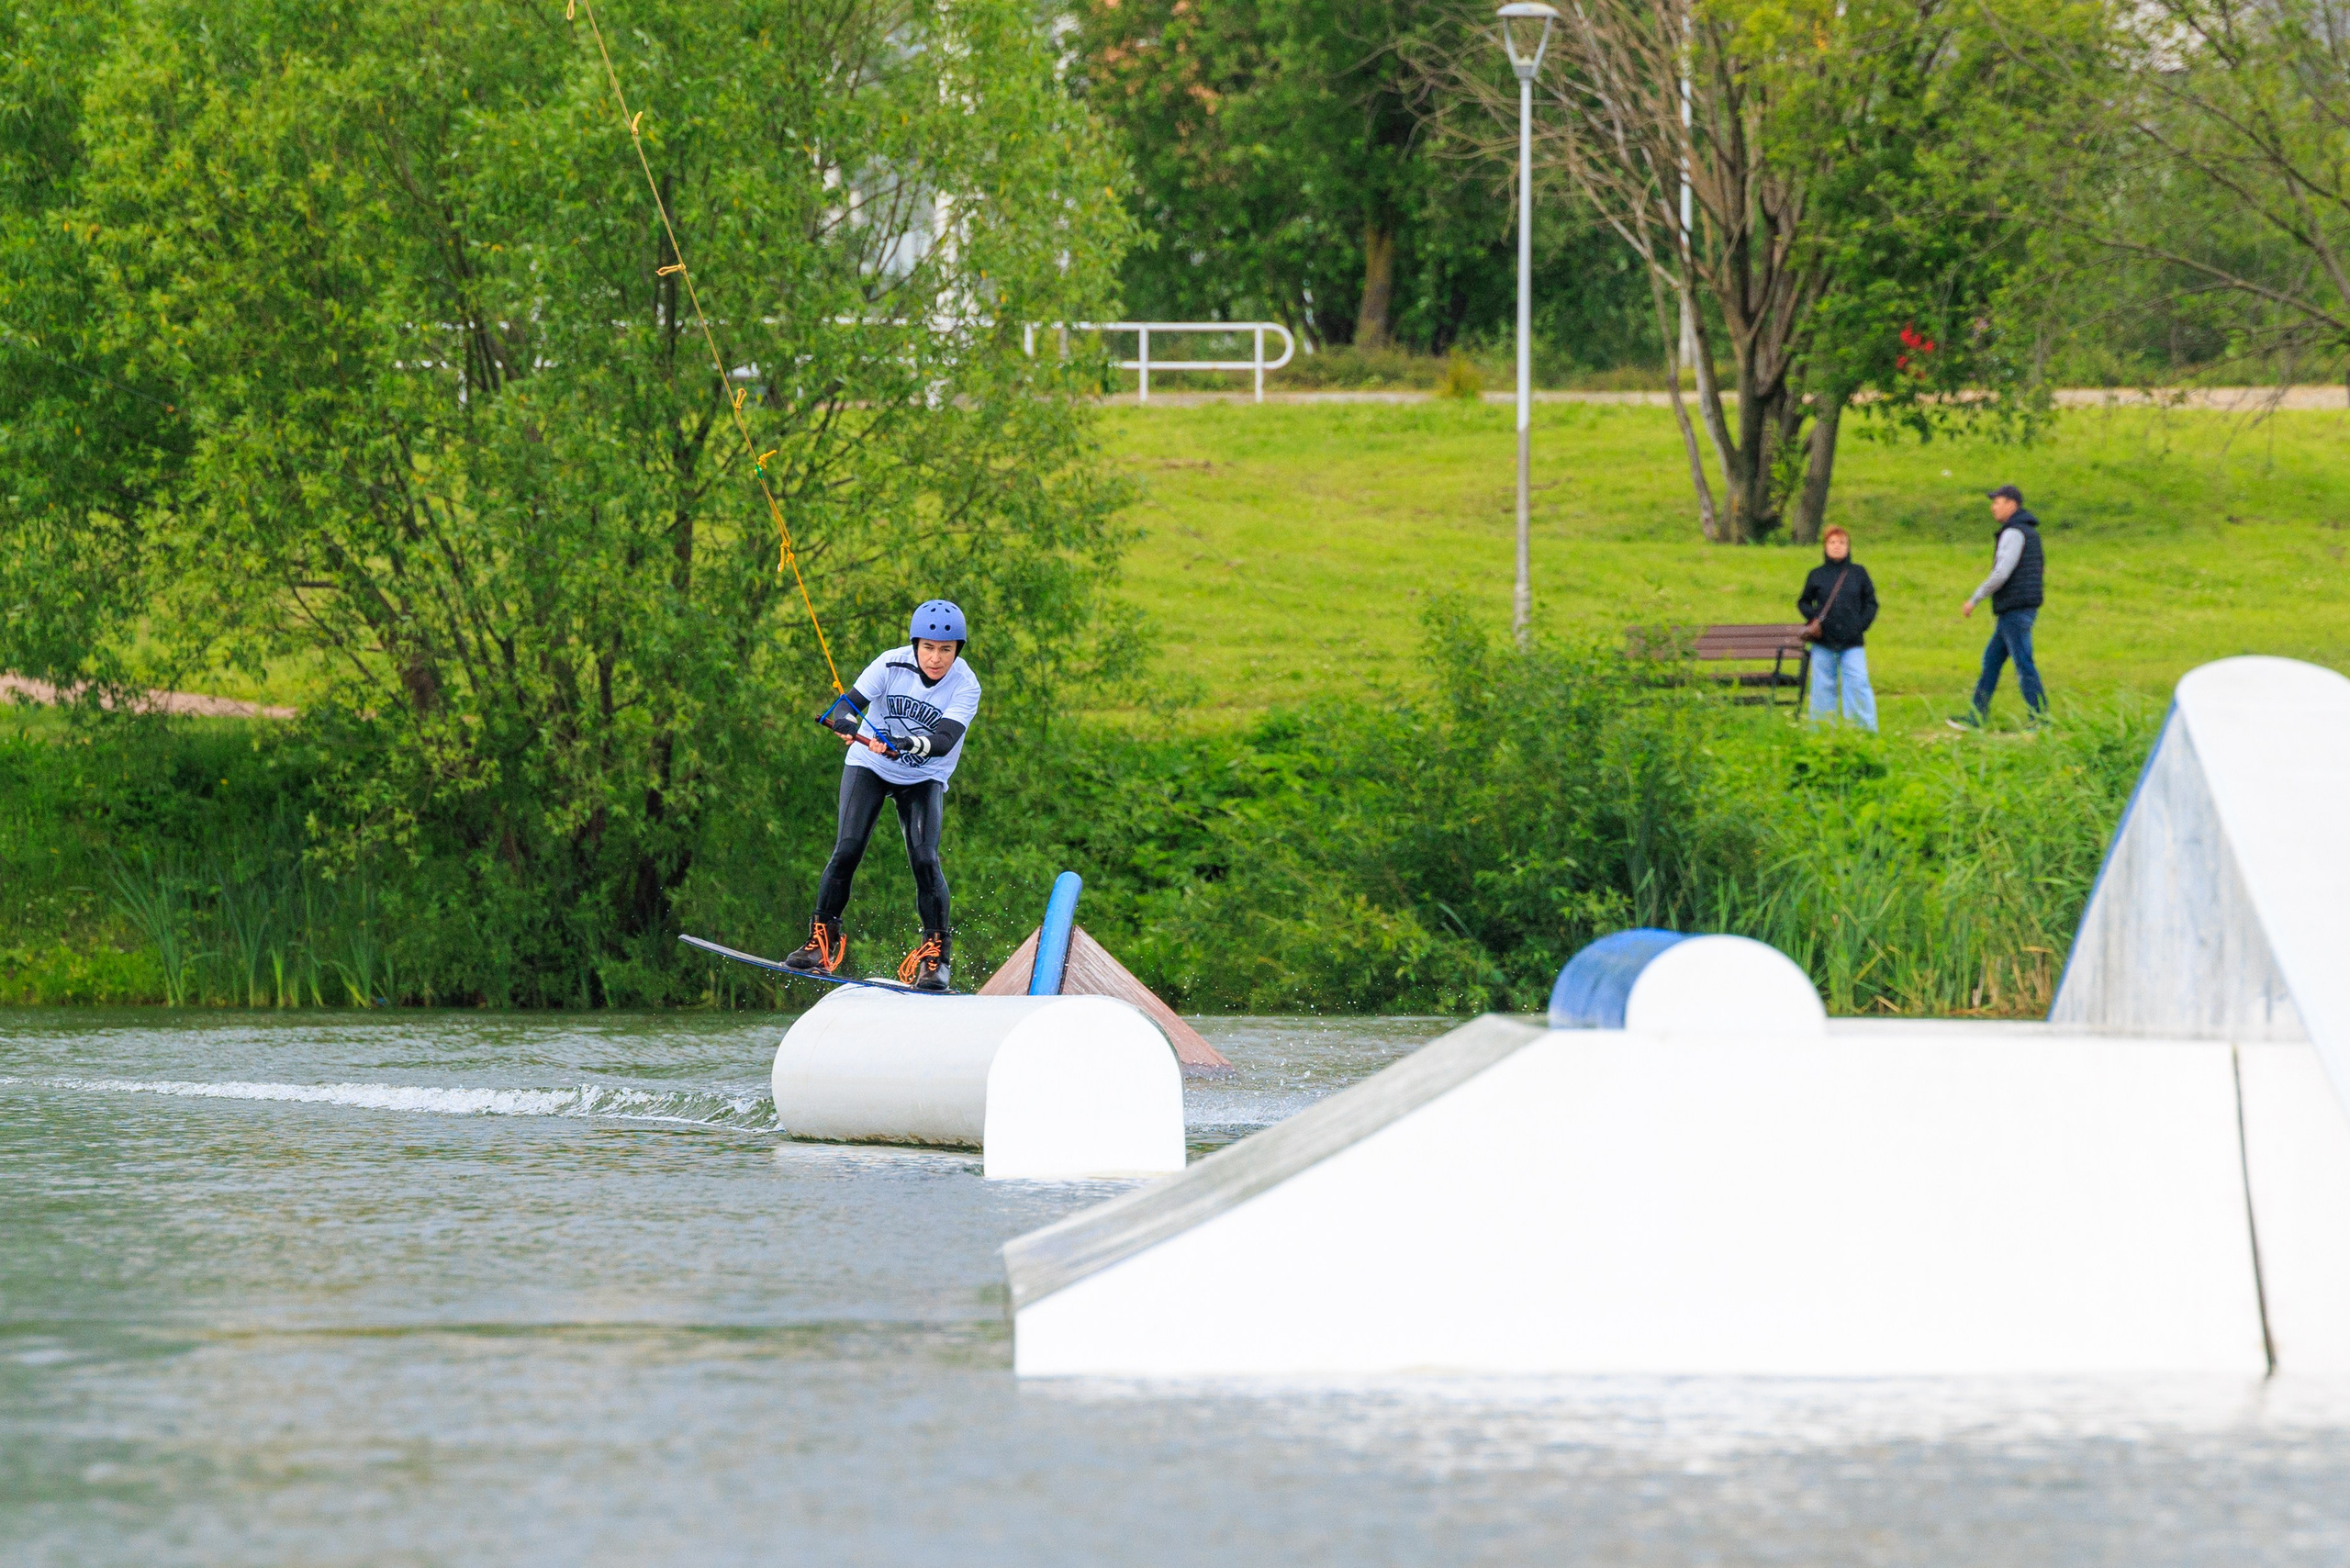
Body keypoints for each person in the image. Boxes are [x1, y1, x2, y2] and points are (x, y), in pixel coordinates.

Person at [783, 600, 981, 991]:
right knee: (847, 848)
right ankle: (821, 941)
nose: (936, 658)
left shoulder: (966, 685)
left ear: (958, 649)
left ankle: (935, 958)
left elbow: (942, 741)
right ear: (915, 644)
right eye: (928, 647)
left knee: (925, 858)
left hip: (924, 776)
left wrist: (902, 743)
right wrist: (844, 722)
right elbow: (847, 704)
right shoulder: (890, 664)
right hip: (869, 767)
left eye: (946, 649)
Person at [1950, 484, 2048, 730]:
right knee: (1991, 662)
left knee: (2024, 663)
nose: (1993, 507)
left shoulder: (2014, 533)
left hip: (2015, 609)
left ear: (2012, 504)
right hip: (2017, 608)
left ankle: (2041, 719)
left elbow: (2001, 573)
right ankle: (1976, 716)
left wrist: (1975, 599)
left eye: (1998, 501)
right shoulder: (2028, 532)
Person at [1796, 524, 1878, 731]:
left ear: (1848, 547)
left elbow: (1871, 603)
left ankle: (1863, 731)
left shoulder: (1859, 573)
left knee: (1858, 684)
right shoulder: (1816, 574)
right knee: (1822, 687)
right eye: (1832, 542)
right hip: (1823, 642)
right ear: (1825, 546)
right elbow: (1804, 602)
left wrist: (1860, 625)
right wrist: (1815, 617)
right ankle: (1821, 732)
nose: (1837, 546)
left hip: (1852, 642)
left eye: (1842, 542)